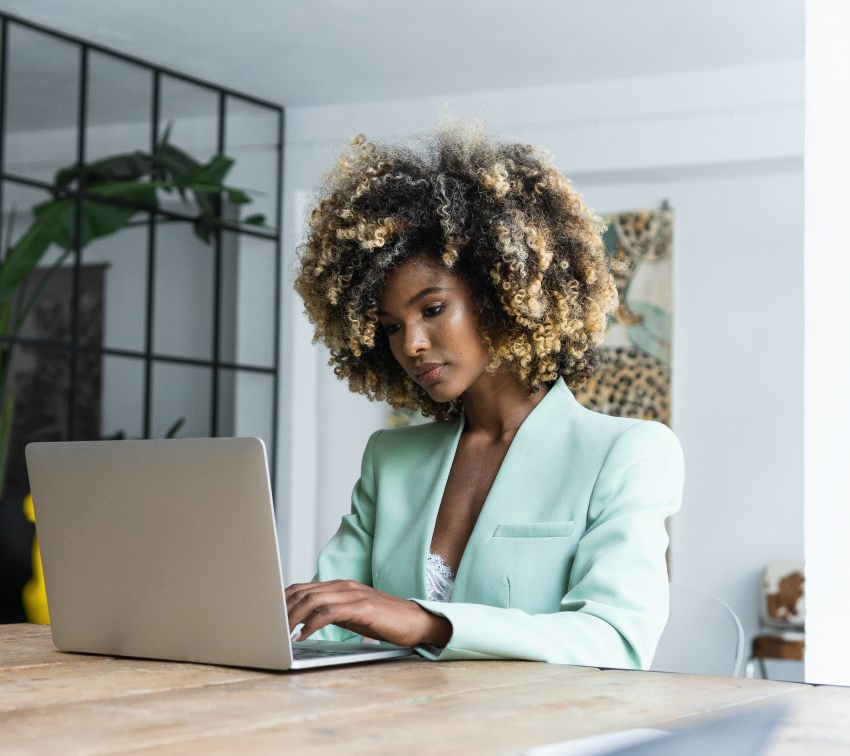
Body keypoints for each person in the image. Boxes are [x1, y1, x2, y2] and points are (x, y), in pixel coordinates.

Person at [285, 125, 683, 669]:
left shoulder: (626, 452)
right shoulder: (391, 458)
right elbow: (325, 623)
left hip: (535, 741)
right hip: (390, 737)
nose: (412, 344)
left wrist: (426, 621)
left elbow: (616, 640)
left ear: (502, 293)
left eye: (431, 309)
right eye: (390, 326)